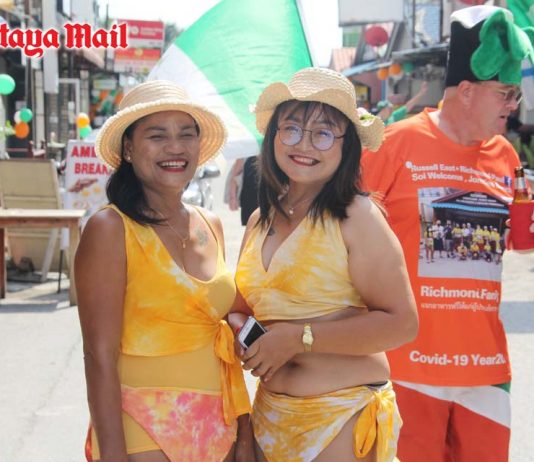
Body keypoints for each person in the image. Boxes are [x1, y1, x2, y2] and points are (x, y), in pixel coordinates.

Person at [361, 6, 534, 461]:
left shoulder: (506, 156)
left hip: (485, 370)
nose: (514, 105)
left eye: (516, 94)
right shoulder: (394, 144)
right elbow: (342, 236)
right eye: (506, 93)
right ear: (467, 91)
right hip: (407, 366)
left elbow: (510, 244)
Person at [230, 67, 418, 462]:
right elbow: (244, 310)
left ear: (347, 147)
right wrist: (238, 327)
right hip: (269, 416)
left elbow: (402, 323)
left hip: (340, 418)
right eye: (292, 128)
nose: (305, 144)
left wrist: (299, 338)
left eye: (324, 132)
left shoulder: (357, 217)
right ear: (273, 136)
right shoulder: (258, 220)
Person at [75, 80, 252, 462]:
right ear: (128, 149)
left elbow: (226, 321)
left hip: (217, 426)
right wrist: (113, 455)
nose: (175, 147)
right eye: (157, 136)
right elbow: (98, 356)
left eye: (186, 134)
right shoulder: (111, 229)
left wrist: (244, 429)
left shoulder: (210, 224)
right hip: (144, 428)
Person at [227, 156, 259, 225]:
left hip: (268, 199)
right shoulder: (246, 153)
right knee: (252, 226)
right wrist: (233, 198)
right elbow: (235, 176)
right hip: (249, 199)